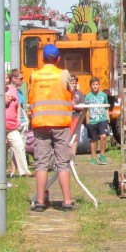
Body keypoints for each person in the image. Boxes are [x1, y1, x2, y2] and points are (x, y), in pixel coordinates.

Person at [28, 43, 75, 212]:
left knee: (41, 163)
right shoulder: (63, 74)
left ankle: (40, 201)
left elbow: (31, 97)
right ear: (58, 59)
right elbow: (71, 93)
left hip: (40, 123)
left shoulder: (34, 76)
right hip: (60, 123)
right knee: (62, 163)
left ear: (42, 58)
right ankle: (67, 201)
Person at [4, 69, 30, 180]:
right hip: (1, 126)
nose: (23, 81)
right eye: (21, 78)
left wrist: (19, 120)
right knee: (2, 150)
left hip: (12, 125)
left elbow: (19, 106)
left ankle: (24, 171)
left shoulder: (16, 91)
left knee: (19, 146)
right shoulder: (2, 90)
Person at [84, 77, 110, 164]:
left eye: (96, 84)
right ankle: (93, 157)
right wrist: (87, 120)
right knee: (94, 139)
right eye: (93, 85)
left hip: (102, 119)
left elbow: (106, 107)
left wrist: (107, 116)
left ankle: (102, 155)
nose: (95, 86)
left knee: (103, 136)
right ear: (90, 86)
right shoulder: (88, 96)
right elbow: (86, 109)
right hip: (92, 120)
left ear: (99, 85)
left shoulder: (103, 95)